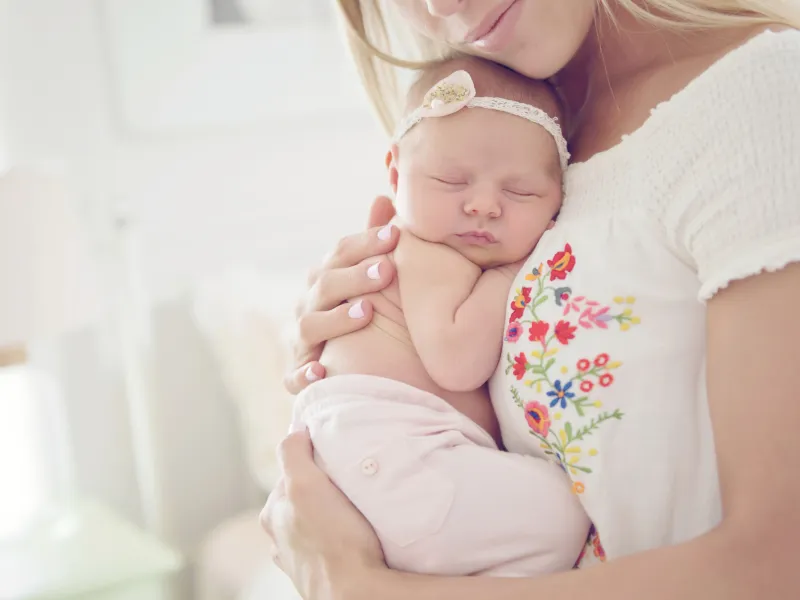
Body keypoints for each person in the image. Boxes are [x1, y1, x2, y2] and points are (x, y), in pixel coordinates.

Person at [263, 1, 800, 599]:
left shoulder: (759, 98)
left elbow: (777, 567)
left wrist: (357, 587)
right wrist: (361, 350)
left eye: (518, 192)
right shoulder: (512, 134)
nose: (440, 5)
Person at [293, 53, 591, 578]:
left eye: (520, 191)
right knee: (561, 515)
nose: (483, 205)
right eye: (452, 182)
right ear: (394, 171)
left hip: (380, 457)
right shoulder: (425, 252)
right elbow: (457, 362)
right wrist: (507, 277)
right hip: (386, 453)